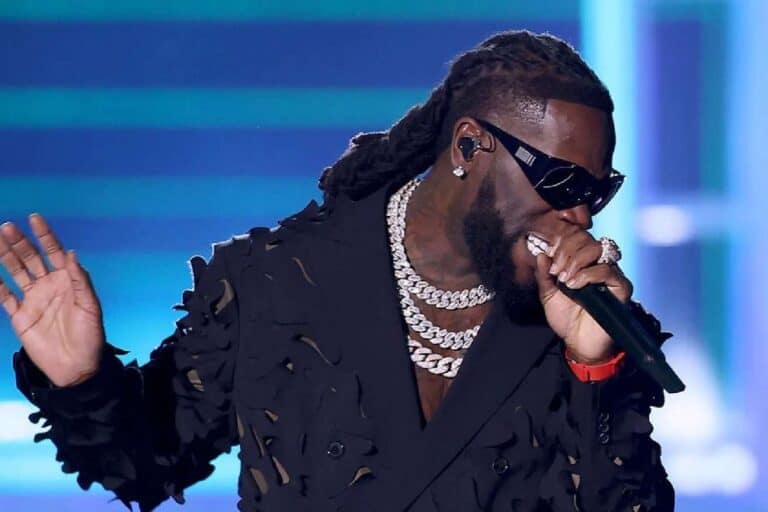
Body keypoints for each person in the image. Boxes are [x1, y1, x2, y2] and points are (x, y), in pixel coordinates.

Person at [1, 30, 675, 511]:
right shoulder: (275, 281)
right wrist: (81, 381)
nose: (580, 215)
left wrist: (596, 368)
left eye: (598, 191)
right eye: (560, 182)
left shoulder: (587, 325)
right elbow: (148, 466)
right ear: (470, 146)